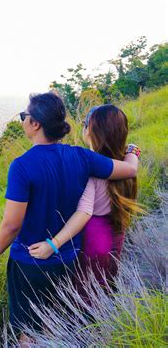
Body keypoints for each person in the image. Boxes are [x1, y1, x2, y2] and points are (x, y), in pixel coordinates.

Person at [0, 93, 139, 344]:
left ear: (35, 124)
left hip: (30, 261)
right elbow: (129, 169)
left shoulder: (21, 166)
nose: (23, 120)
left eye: (25, 116)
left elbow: (12, 224)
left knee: (28, 328)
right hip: (69, 259)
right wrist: (133, 151)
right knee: (56, 322)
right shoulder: (82, 156)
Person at [28, 105, 142, 291]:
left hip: (93, 238)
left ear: (90, 131)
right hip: (116, 231)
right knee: (107, 284)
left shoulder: (92, 169)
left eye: (84, 124)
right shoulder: (126, 163)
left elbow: (84, 211)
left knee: (86, 293)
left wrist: (53, 244)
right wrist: (133, 150)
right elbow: (133, 155)